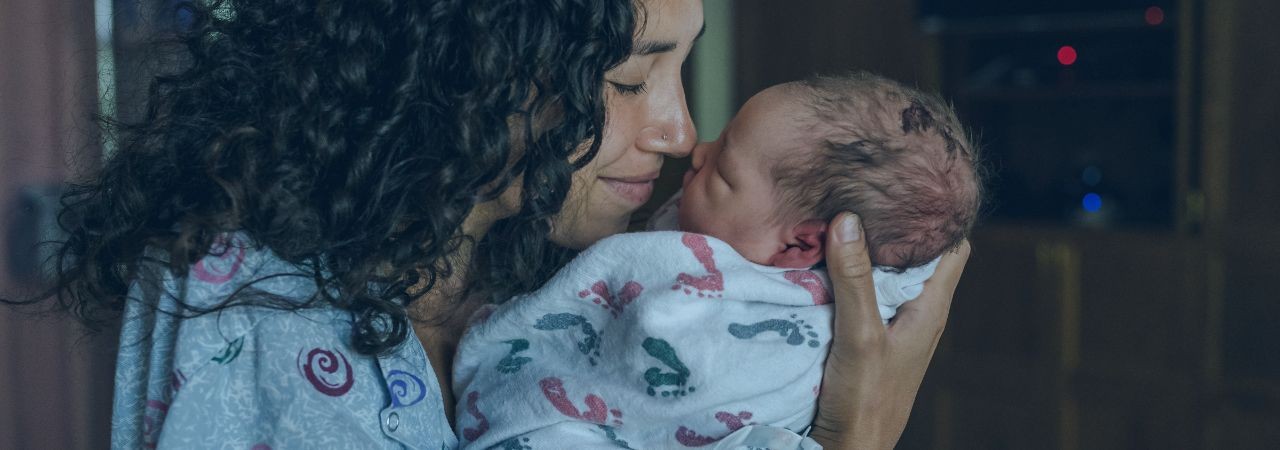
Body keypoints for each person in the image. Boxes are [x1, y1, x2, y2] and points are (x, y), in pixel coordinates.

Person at [6, 0, 970, 448]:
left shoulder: (571, 266)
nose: (679, 133)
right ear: (475, 63)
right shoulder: (253, 312)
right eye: (630, 79)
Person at [452, 73, 981, 448]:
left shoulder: (788, 330)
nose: (695, 149)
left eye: (724, 170)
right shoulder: (727, 238)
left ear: (799, 246)